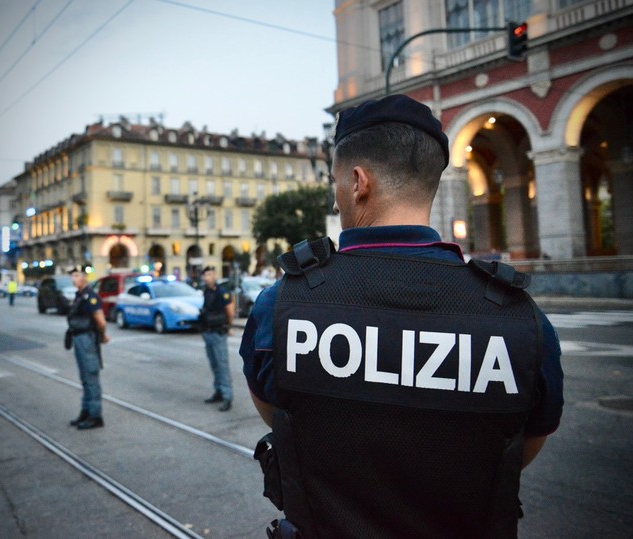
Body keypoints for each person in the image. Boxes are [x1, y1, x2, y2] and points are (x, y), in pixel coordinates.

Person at [240, 94, 564, 538]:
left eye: (335, 182)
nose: (336, 201)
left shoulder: (281, 304)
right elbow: (523, 445)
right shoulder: (518, 318)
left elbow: (275, 413)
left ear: (357, 182)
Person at [66, 265, 108, 429]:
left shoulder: (90, 296)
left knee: (91, 377)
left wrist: (103, 335)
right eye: (72, 276)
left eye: (76, 275)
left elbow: (101, 321)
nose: (73, 279)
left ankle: (96, 416)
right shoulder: (79, 295)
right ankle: (86, 411)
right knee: (84, 377)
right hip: (78, 338)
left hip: (87, 339)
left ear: (84, 277)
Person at [200, 266, 234, 412]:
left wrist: (229, 326)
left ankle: (227, 396)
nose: (206, 277)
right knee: (214, 364)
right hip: (208, 331)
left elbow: (230, 310)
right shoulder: (206, 291)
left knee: (222, 365)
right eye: (205, 275)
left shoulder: (222, 291)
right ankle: (219, 391)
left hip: (218, 332)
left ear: (214, 275)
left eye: (209, 274)